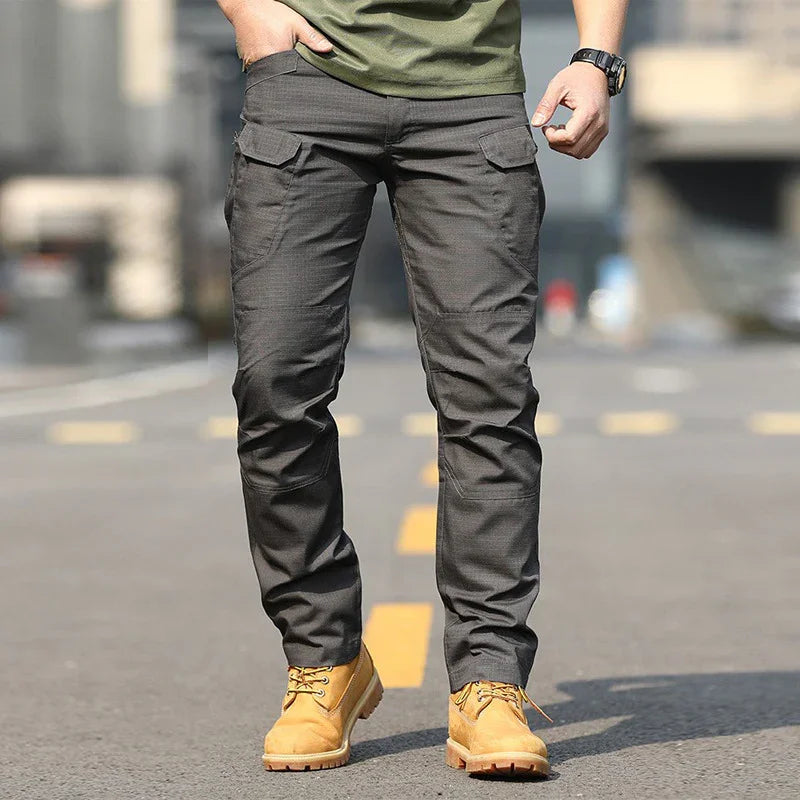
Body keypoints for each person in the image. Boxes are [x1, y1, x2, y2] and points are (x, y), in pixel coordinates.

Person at [216, 0, 629, 778]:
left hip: (470, 92)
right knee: (275, 384)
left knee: (489, 397)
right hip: (305, 84)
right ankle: (323, 660)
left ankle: (489, 682)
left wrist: (595, 58)